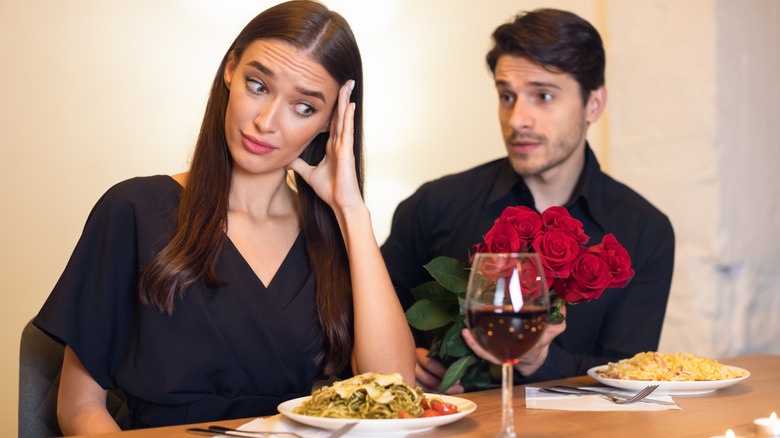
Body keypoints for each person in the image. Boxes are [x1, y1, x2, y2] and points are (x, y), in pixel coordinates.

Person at [33, 1, 415, 433]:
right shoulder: (133, 209)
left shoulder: (332, 237)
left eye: (304, 108)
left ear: (332, 122)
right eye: (257, 85)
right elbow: (80, 408)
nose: (266, 122)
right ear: (230, 69)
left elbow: (397, 393)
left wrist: (351, 210)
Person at [381, 8, 674, 393]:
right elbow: (366, 318)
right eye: (507, 96)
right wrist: (402, 358)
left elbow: (631, 378)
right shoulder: (434, 204)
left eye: (543, 95)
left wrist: (541, 361)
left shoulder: (644, 230)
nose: (517, 118)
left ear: (594, 105)